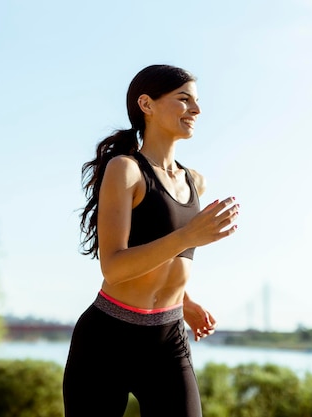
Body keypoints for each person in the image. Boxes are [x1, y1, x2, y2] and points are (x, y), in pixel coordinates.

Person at [63, 64, 239, 417]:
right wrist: (189, 235)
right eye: (184, 99)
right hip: (106, 340)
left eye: (197, 101)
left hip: (167, 340)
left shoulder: (195, 182)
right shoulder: (126, 170)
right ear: (147, 104)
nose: (197, 110)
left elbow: (171, 256)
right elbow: (114, 268)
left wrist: (185, 301)